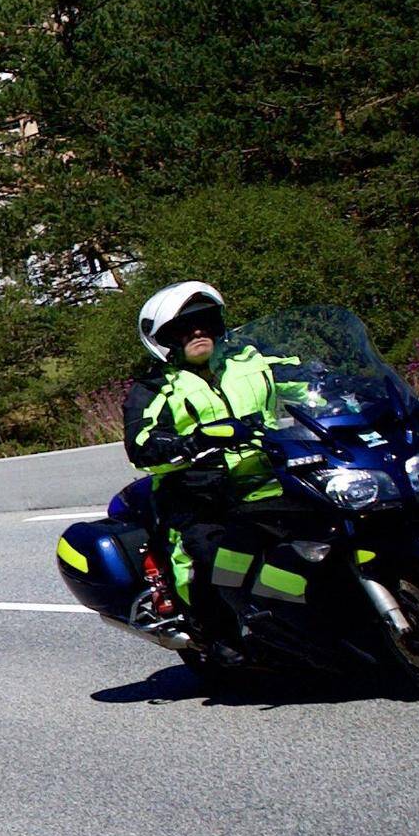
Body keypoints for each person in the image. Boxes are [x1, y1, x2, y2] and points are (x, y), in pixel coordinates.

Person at [123, 279, 299, 660]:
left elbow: (309, 383)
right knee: (207, 554)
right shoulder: (155, 389)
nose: (197, 332)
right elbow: (141, 445)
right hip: (200, 493)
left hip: (268, 478)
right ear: (164, 338)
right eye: (184, 327)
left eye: (205, 322)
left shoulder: (250, 362)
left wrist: (356, 394)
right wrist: (192, 442)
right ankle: (215, 633)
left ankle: (306, 614)